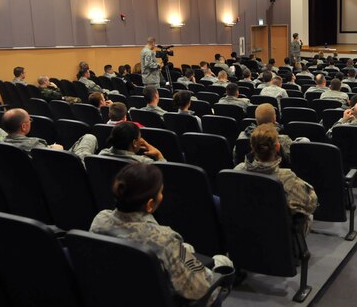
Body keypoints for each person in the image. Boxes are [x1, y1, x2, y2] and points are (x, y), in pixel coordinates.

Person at [90, 162, 232, 301]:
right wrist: (214, 264)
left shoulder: (100, 220)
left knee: (185, 250)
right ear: (150, 205)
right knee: (223, 261)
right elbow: (197, 289)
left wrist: (182, 251)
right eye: (160, 192)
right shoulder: (166, 239)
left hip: (114, 295)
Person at [234, 123, 317, 233]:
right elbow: (311, 204)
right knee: (308, 216)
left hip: (248, 230)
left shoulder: (238, 171)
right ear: (278, 147)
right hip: (279, 234)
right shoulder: (286, 177)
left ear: (252, 147)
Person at [1, 108, 97, 158]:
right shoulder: (34, 144)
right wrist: (59, 150)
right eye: (29, 120)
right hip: (70, 168)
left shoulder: (0, 143)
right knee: (89, 137)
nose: (30, 121)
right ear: (24, 126)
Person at [99, 122, 164, 163]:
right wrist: (159, 155)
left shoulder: (102, 154)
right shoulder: (144, 163)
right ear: (134, 143)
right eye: (140, 137)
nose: (141, 140)